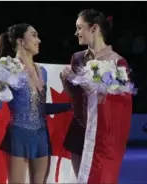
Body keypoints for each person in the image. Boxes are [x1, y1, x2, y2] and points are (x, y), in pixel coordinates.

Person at [0, 23, 72, 184]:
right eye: (34, 35)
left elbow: (40, 108)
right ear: (20, 41)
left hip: (41, 137)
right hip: (18, 135)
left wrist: (71, 106)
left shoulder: (41, 71)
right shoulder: (9, 69)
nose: (39, 40)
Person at [60, 9, 132, 183]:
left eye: (79, 28)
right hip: (79, 130)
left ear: (94, 28)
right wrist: (65, 81)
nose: (76, 33)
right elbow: (74, 97)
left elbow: (123, 105)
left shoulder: (117, 62)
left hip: (104, 137)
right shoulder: (77, 58)